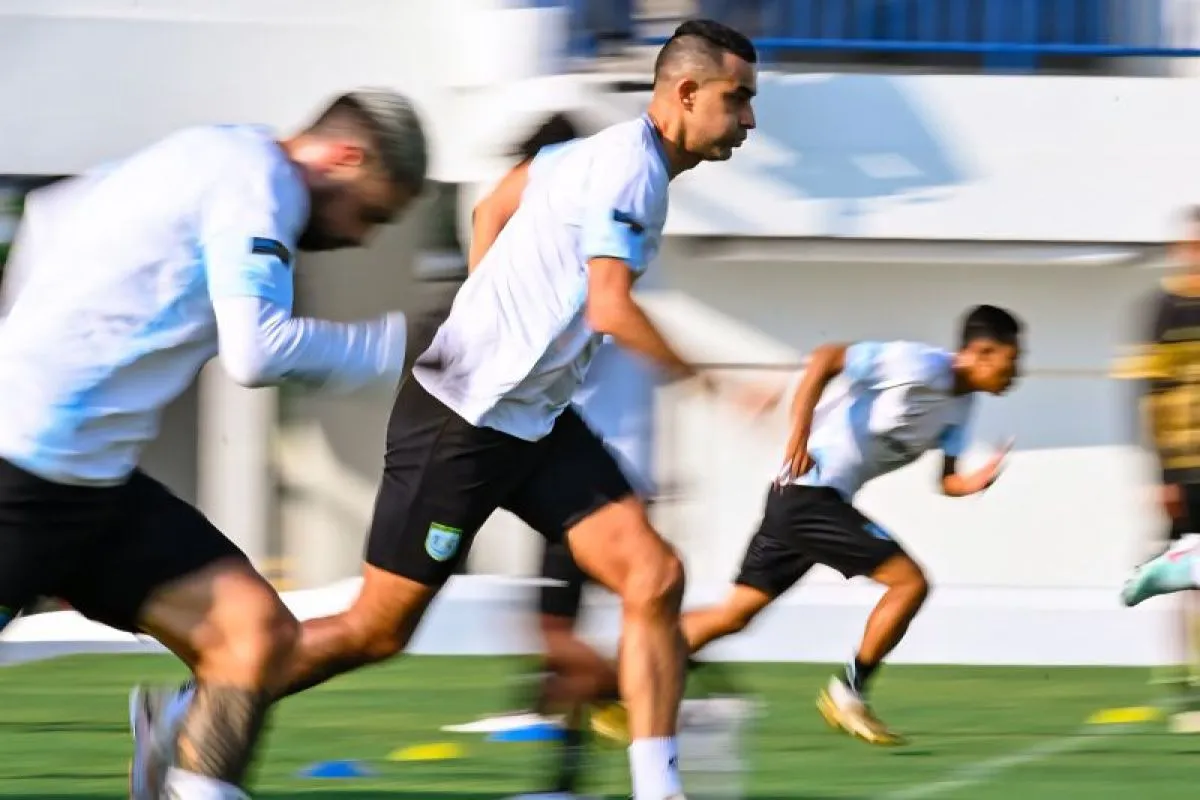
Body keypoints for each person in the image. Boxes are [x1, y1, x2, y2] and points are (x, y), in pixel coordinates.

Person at [132, 19, 758, 800]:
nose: (748, 120)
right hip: (460, 422)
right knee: (376, 630)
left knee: (654, 575)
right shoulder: (629, 171)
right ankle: (191, 710)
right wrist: (713, 383)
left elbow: (492, 206)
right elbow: (610, 307)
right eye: (737, 99)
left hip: (534, 420)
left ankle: (658, 789)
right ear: (687, 92)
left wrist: (488, 306)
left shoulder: (594, 154)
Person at [0, 89, 428, 800]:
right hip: (20, 471)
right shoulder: (258, 180)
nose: (362, 238)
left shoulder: (208, 152)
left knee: (250, 637)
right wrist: (402, 348)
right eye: (372, 214)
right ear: (347, 157)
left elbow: (47, 218)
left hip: (91, 479)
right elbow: (257, 351)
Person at [677, 305, 1023, 746]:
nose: (1016, 374)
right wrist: (798, 437)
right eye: (1011, 361)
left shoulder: (962, 406)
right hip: (808, 495)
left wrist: (973, 482)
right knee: (910, 584)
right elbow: (826, 357)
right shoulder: (917, 363)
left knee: (735, 614)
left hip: (807, 502)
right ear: (983, 351)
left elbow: (946, 480)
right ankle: (849, 693)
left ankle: (633, 668)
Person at [1120, 209, 1200, 628]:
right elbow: (1148, 394)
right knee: (1187, 574)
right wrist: (1161, 476)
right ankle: (1185, 666)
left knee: (1189, 567)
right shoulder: (1163, 310)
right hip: (1184, 465)